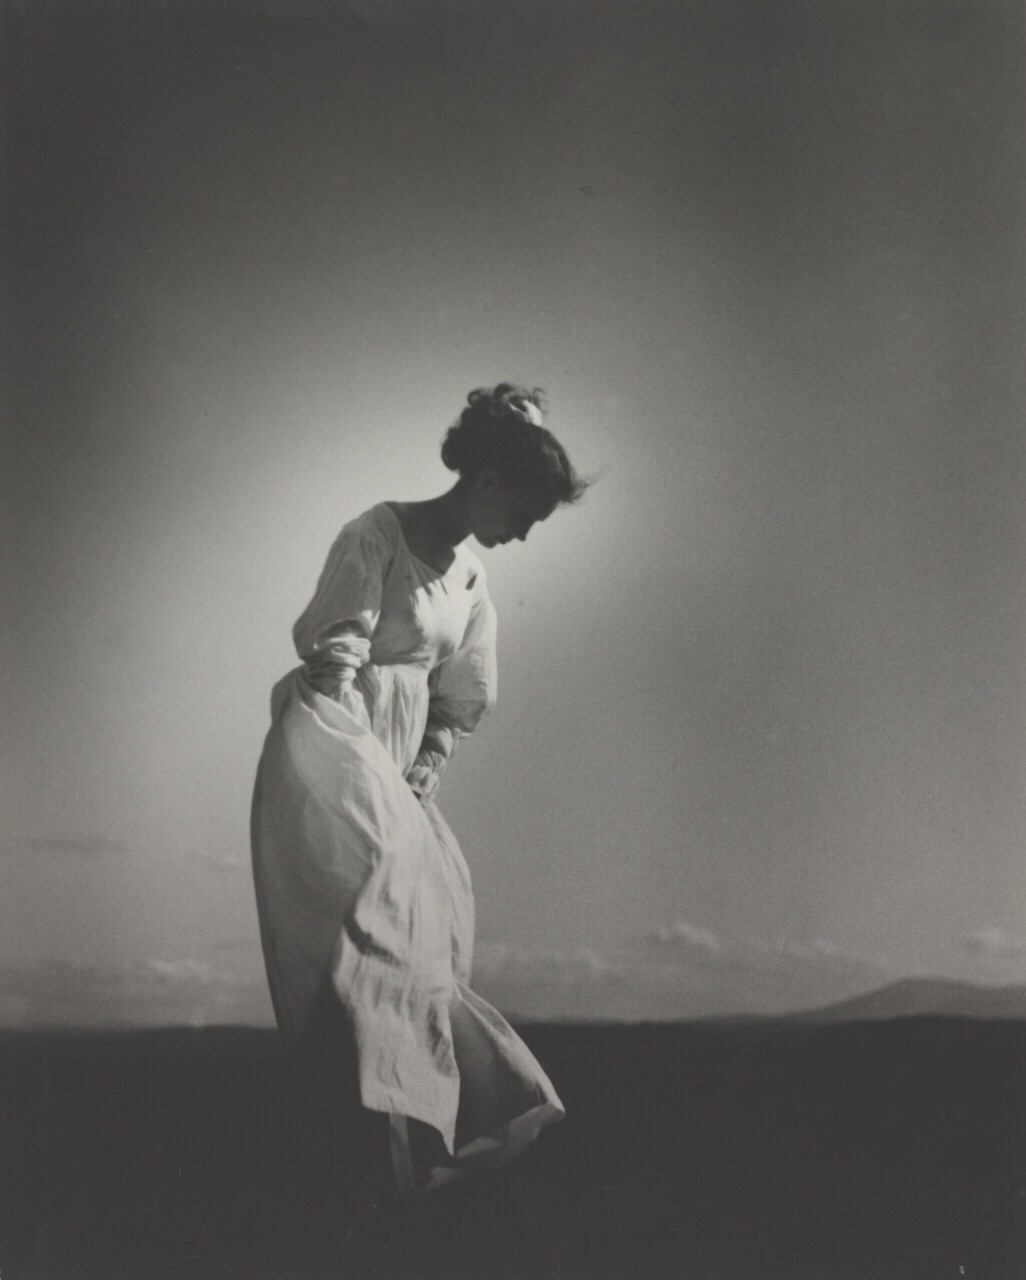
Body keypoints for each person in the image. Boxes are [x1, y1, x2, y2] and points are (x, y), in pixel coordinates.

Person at [250, 384, 588, 1204]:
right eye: (524, 511)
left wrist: (424, 766)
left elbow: (459, 694)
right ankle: (350, 1166)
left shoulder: (470, 579)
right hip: (331, 749)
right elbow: (336, 664)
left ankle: (396, 1156)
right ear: (487, 480)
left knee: (419, 954)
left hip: (397, 771)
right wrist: (367, 784)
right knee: (374, 945)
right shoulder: (377, 535)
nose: (524, 532)